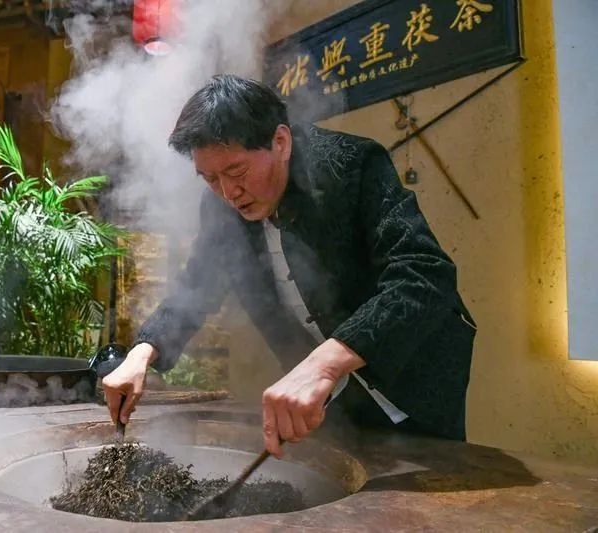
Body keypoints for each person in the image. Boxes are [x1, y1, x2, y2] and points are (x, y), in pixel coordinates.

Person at [102, 74, 476, 458]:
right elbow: (197, 286)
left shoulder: (350, 166)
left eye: (237, 172)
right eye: (210, 178)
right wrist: (142, 353)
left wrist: (325, 364)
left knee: (427, 475)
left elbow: (424, 273)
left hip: (414, 376)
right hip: (331, 398)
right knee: (350, 474)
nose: (229, 193)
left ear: (280, 142)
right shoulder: (220, 207)